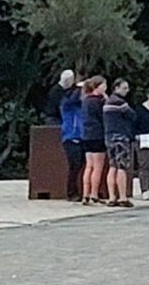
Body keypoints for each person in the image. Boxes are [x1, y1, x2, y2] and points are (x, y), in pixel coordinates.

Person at [102, 76, 139, 206]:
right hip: (121, 137)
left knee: (112, 166)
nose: (127, 90)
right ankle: (123, 197)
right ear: (116, 88)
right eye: (124, 88)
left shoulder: (107, 102)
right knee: (122, 167)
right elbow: (133, 116)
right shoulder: (120, 103)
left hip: (109, 136)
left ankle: (112, 197)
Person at [56, 69, 87, 201]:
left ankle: (78, 191)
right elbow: (73, 98)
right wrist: (80, 88)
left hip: (81, 137)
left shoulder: (81, 106)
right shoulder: (66, 104)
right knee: (74, 165)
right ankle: (71, 192)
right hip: (70, 137)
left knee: (80, 165)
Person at [78, 77, 109, 206]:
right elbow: (104, 117)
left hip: (86, 135)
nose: (105, 88)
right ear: (98, 86)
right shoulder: (99, 102)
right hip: (98, 135)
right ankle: (94, 194)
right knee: (98, 166)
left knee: (89, 165)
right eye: (104, 85)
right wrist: (106, 99)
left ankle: (85, 193)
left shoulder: (85, 100)